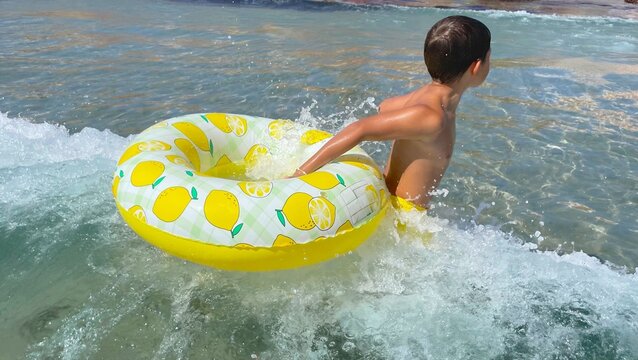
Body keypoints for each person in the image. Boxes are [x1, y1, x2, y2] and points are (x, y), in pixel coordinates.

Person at [292, 15, 491, 211]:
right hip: (402, 216)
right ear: (476, 67)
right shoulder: (431, 117)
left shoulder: (427, 98)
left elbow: (385, 106)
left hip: (400, 209)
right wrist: (301, 173)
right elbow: (360, 128)